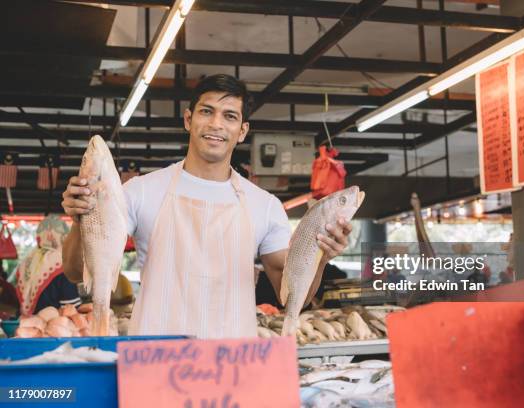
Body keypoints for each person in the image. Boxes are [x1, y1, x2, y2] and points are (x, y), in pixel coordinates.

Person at [60, 74, 352, 339]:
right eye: (206, 111)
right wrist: (80, 219)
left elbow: (289, 300)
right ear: (188, 119)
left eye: (229, 116)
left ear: (242, 130)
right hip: (154, 362)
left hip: (231, 368)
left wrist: (321, 258)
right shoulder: (140, 191)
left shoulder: (264, 206)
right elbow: (76, 273)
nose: (216, 124)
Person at [15, 215, 81, 316]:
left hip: (24, 325)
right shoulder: (62, 263)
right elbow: (71, 307)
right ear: (63, 237)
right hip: (52, 327)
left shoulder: (26, 262)